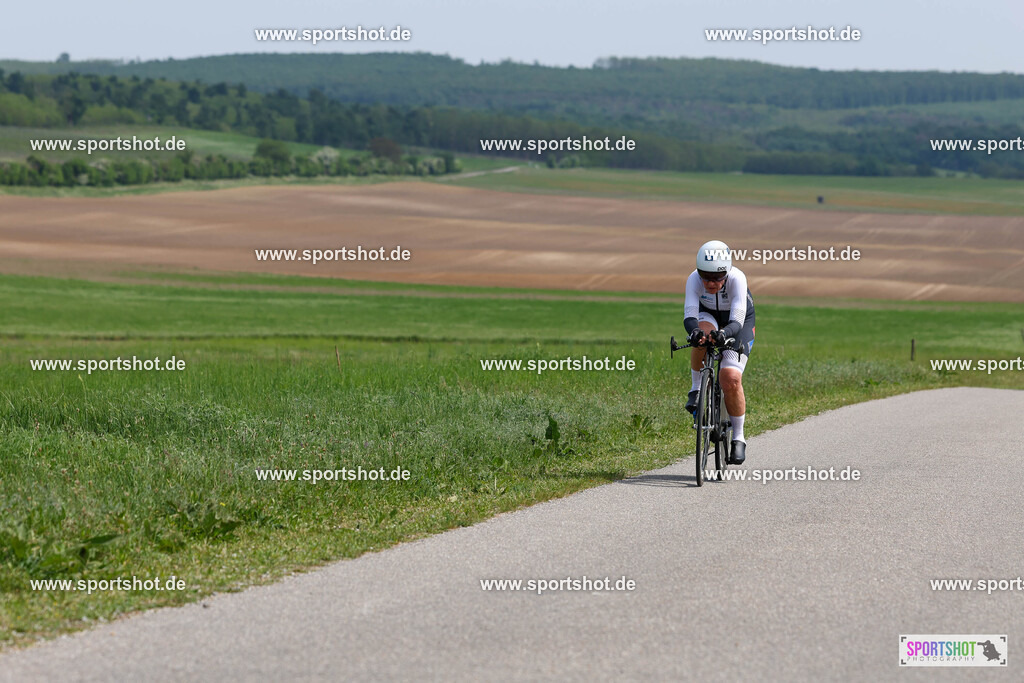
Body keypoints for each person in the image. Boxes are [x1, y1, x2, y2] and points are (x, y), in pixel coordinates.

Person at [683, 240, 755, 464]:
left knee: (730, 377)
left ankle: (739, 437)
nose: (711, 283)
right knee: (700, 338)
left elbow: (737, 320)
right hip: (707, 315)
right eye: (706, 276)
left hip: (737, 321)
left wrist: (724, 334)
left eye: (717, 277)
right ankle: (696, 389)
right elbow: (690, 315)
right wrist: (695, 332)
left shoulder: (737, 279)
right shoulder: (693, 279)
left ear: (727, 272)